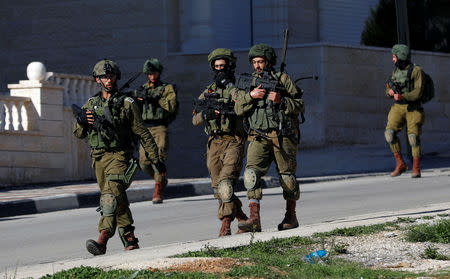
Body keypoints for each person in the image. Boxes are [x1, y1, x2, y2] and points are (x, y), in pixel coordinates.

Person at [73, 59, 166, 255]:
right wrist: (82, 121)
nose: (109, 80)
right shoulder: (91, 104)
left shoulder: (127, 103)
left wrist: (154, 158)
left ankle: (102, 239)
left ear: (117, 77)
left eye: (111, 76)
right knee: (117, 197)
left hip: (120, 156)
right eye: (105, 77)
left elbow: (142, 132)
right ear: (98, 79)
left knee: (109, 197)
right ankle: (129, 237)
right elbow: (78, 134)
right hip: (98, 159)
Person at [235, 44, 304, 232]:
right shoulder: (249, 83)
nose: (257, 66)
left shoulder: (282, 79)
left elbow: (300, 104)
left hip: (282, 136)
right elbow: (238, 109)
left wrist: (281, 100)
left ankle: (291, 216)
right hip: (258, 135)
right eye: (254, 62)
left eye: (261, 62)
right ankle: (254, 219)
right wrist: (251, 96)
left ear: (268, 62)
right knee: (250, 175)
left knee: (287, 177)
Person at [192, 48, 249, 236]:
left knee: (226, 183)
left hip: (234, 140)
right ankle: (243, 219)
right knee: (218, 188)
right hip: (215, 142)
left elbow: (244, 104)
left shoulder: (239, 87)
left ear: (230, 66)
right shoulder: (209, 91)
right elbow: (195, 119)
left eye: (223, 67)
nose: (220, 71)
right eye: (216, 67)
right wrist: (207, 114)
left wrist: (230, 86)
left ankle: (225, 224)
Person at [132, 58, 177, 203]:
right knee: (144, 163)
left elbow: (170, 106)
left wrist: (156, 98)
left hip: (160, 126)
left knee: (159, 158)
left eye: (154, 73)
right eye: (149, 74)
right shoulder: (142, 89)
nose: (152, 76)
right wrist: (138, 99)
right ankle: (161, 179)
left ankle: (158, 190)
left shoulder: (166, 88)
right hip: (145, 128)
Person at [385, 44, 424, 178]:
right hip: (398, 106)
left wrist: (403, 96)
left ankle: (416, 167)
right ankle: (400, 163)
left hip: (413, 107)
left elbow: (418, 92)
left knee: (413, 137)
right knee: (389, 134)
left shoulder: (416, 71)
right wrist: (390, 93)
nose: (393, 60)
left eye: (394, 57)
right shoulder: (395, 71)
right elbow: (388, 88)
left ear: (401, 56)